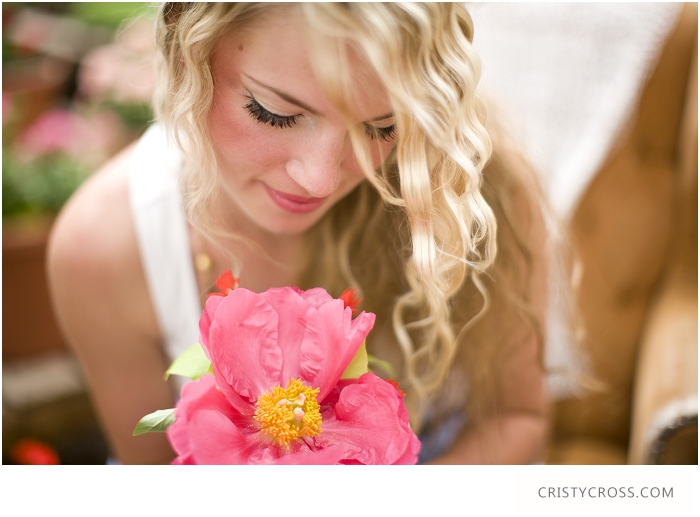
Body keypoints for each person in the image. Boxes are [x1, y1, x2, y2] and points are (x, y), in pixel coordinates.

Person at [47, 2, 548, 465]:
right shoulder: (108, 246)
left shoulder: (467, 194)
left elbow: (517, 417)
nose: (322, 180)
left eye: (381, 127)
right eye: (275, 113)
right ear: (186, 53)